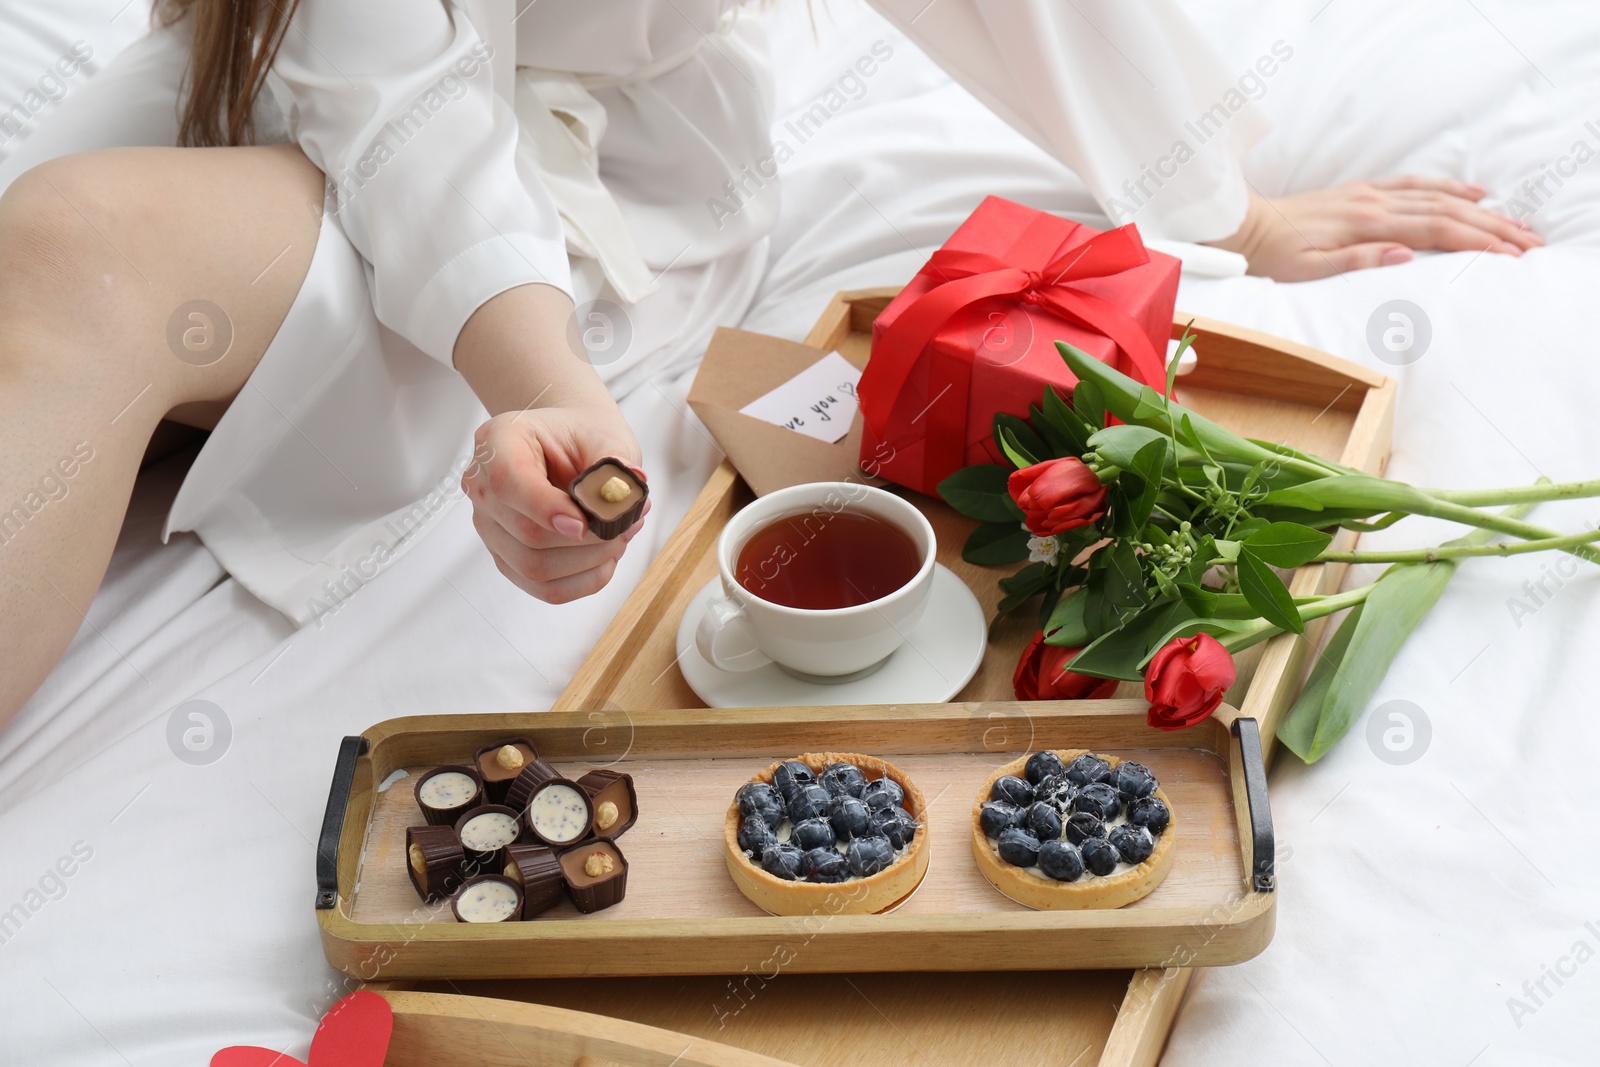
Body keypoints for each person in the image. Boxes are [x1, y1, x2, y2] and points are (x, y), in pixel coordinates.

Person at [0, 0, 1539, 726]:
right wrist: (550, 383)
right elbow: (370, 72)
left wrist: (1233, 209)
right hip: (275, 121)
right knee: (66, 257)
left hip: (528, 190)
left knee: (86, 250)